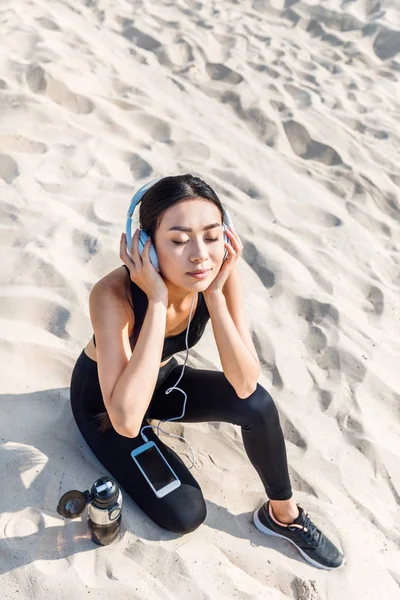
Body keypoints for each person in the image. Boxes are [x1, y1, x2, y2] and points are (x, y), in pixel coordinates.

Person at [70, 174, 344, 570]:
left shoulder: (217, 274)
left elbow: (245, 382)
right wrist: (158, 300)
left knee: (258, 404)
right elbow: (127, 421)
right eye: (179, 241)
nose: (200, 255)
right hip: (107, 405)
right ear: (145, 245)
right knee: (186, 514)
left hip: (164, 382)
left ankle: (283, 515)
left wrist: (214, 295)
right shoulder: (112, 295)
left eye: (212, 236)